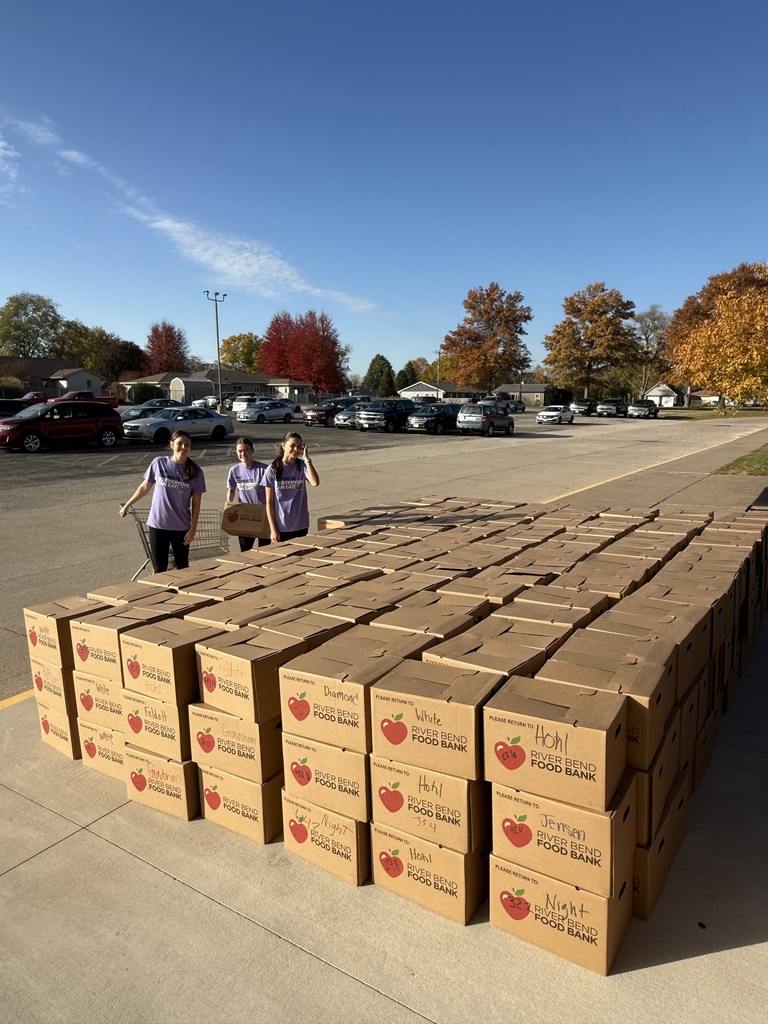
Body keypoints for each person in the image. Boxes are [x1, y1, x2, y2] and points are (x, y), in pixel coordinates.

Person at [119, 430, 206, 572]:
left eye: (187, 444)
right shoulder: (159, 463)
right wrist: (128, 504)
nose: (183, 447)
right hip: (158, 525)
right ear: (172, 445)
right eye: (180, 443)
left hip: (181, 527)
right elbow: (145, 487)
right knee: (159, 569)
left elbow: (196, 503)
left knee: (183, 568)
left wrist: (193, 528)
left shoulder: (196, 472)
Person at [264, 431, 319, 543]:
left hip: (301, 524)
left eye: (299, 447)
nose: (295, 450)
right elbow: (269, 503)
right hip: (282, 526)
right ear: (283, 446)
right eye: (292, 445)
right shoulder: (272, 470)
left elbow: (315, 482)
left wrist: (307, 459)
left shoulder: (301, 466)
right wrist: (273, 529)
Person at [225, 436, 270, 552]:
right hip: (244, 515)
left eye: (246, 450)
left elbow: (272, 492)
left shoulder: (264, 469)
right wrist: (229, 507)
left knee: (264, 550)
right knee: (245, 550)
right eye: (240, 451)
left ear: (252, 451)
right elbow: (231, 491)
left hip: (263, 514)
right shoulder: (234, 470)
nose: (243, 454)